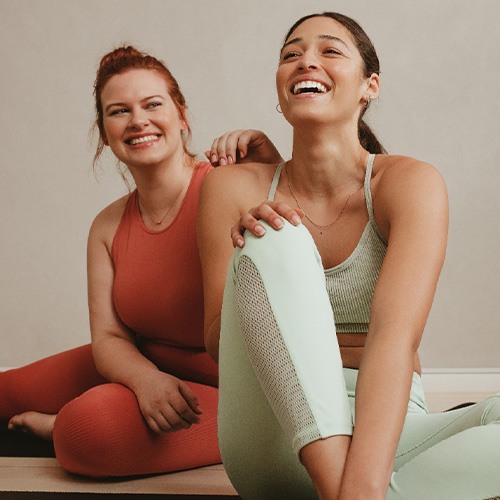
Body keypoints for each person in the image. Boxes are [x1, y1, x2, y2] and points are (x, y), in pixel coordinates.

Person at [198, 12, 500, 499]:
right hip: (274, 429)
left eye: (330, 51)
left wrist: (360, 483)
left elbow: (393, 341)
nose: (305, 62)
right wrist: (260, 255)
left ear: (369, 86)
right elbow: (217, 341)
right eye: (290, 55)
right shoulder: (232, 187)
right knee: (275, 234)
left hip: (387, 429)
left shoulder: (408, 183)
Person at [0, 46, 281, 477]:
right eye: (119, 111)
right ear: (105, 131)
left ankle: (60, 425)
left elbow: (307, 236)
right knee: (5, 391)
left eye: (153, 104)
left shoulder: (227, 186)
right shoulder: (107, 225)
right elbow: (109, 338)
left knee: (86, 432)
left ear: (181, 116)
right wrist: (144, 380)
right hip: (147, 362)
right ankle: (111, 399)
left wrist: (271, 166)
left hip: (236, 391)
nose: (138, 121)